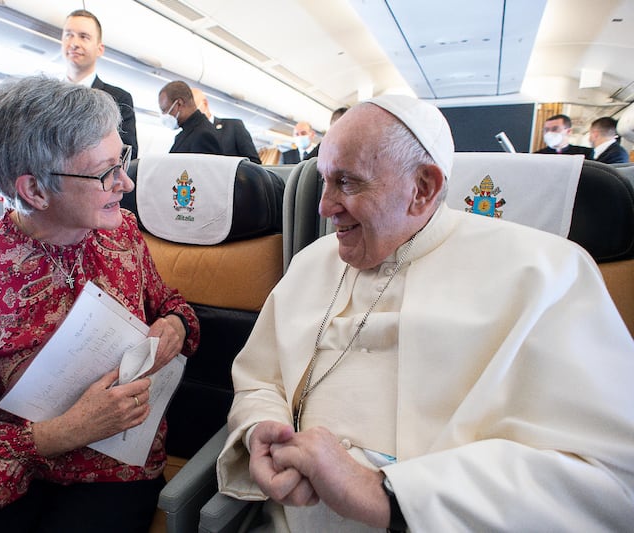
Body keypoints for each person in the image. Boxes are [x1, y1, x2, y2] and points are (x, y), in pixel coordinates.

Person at [217, 95, 634, 531]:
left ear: (424, 188)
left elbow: (607, 479)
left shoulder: (546, 274)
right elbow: (261, 381)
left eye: (347, 183)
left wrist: (383, 492)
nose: (323, 207)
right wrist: (262, 428)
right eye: (324, 180)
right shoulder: (310, 264)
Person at [0, 76, 200, 532]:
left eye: (121, 160)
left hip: (114, 471)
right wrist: (70, 430)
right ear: (35, 191)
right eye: (105, 171)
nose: (124, 182)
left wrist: (175, 326)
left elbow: (172, 304)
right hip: (12, 478)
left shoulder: (121, 231)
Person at [62, 9, 139, 158]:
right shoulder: (47, 97)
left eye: (84, 37)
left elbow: (128, 155)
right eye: (68, 35)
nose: (74, 43)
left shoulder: (119, 99)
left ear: (100, 49)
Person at [191, 87, 261, 164]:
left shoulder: (234, 126)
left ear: (204, 104)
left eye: (192, 108)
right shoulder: (189, 137)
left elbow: (254, 163)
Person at [158, 81, 223, 155]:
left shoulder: (203, 135)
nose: (164, 115)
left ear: (179, 104)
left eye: (164, 110)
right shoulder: (185, 133)